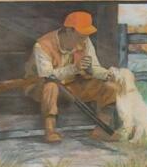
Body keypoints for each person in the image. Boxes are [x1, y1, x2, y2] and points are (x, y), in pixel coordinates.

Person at [29, 10, 121, 142]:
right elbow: (47, 75)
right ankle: (50, 131)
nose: (84, 39)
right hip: (43, 88)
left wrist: (106, 74)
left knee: (111, 88)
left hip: (73, 87)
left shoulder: (84, 41)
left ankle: (101, 130)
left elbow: (94, 67)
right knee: (51, 86)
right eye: (81, 35)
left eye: (86, 35)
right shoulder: (42, 45)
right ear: (68, 31)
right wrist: (75, 68)